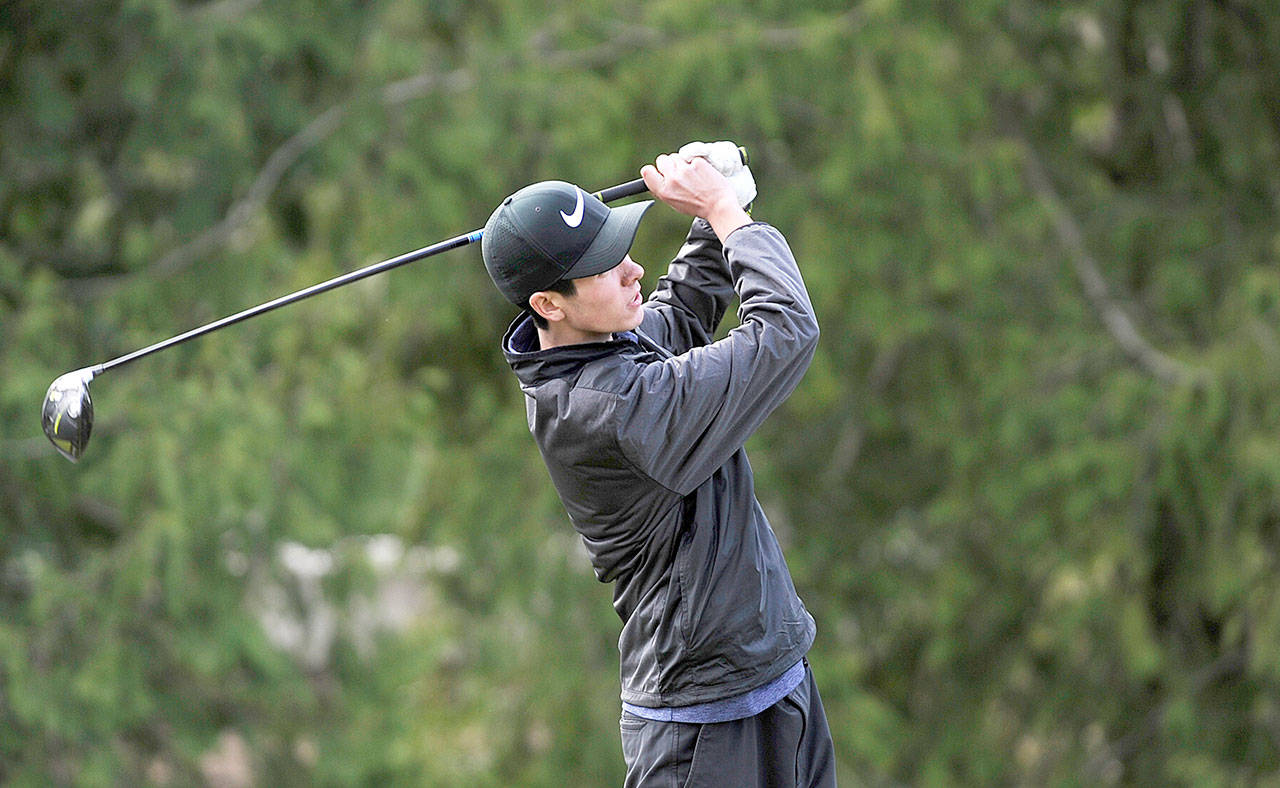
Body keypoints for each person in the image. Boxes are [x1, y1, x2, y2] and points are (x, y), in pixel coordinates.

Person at [481, 144, 836, 787]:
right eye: (606, 269)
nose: (634, 270)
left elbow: (683, 311)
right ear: (548, 305)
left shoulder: (603, 351)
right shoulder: (612, 408)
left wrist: (714, 205)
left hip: (776, 682)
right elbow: (785, 331)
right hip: (700, 728)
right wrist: (728, 215)